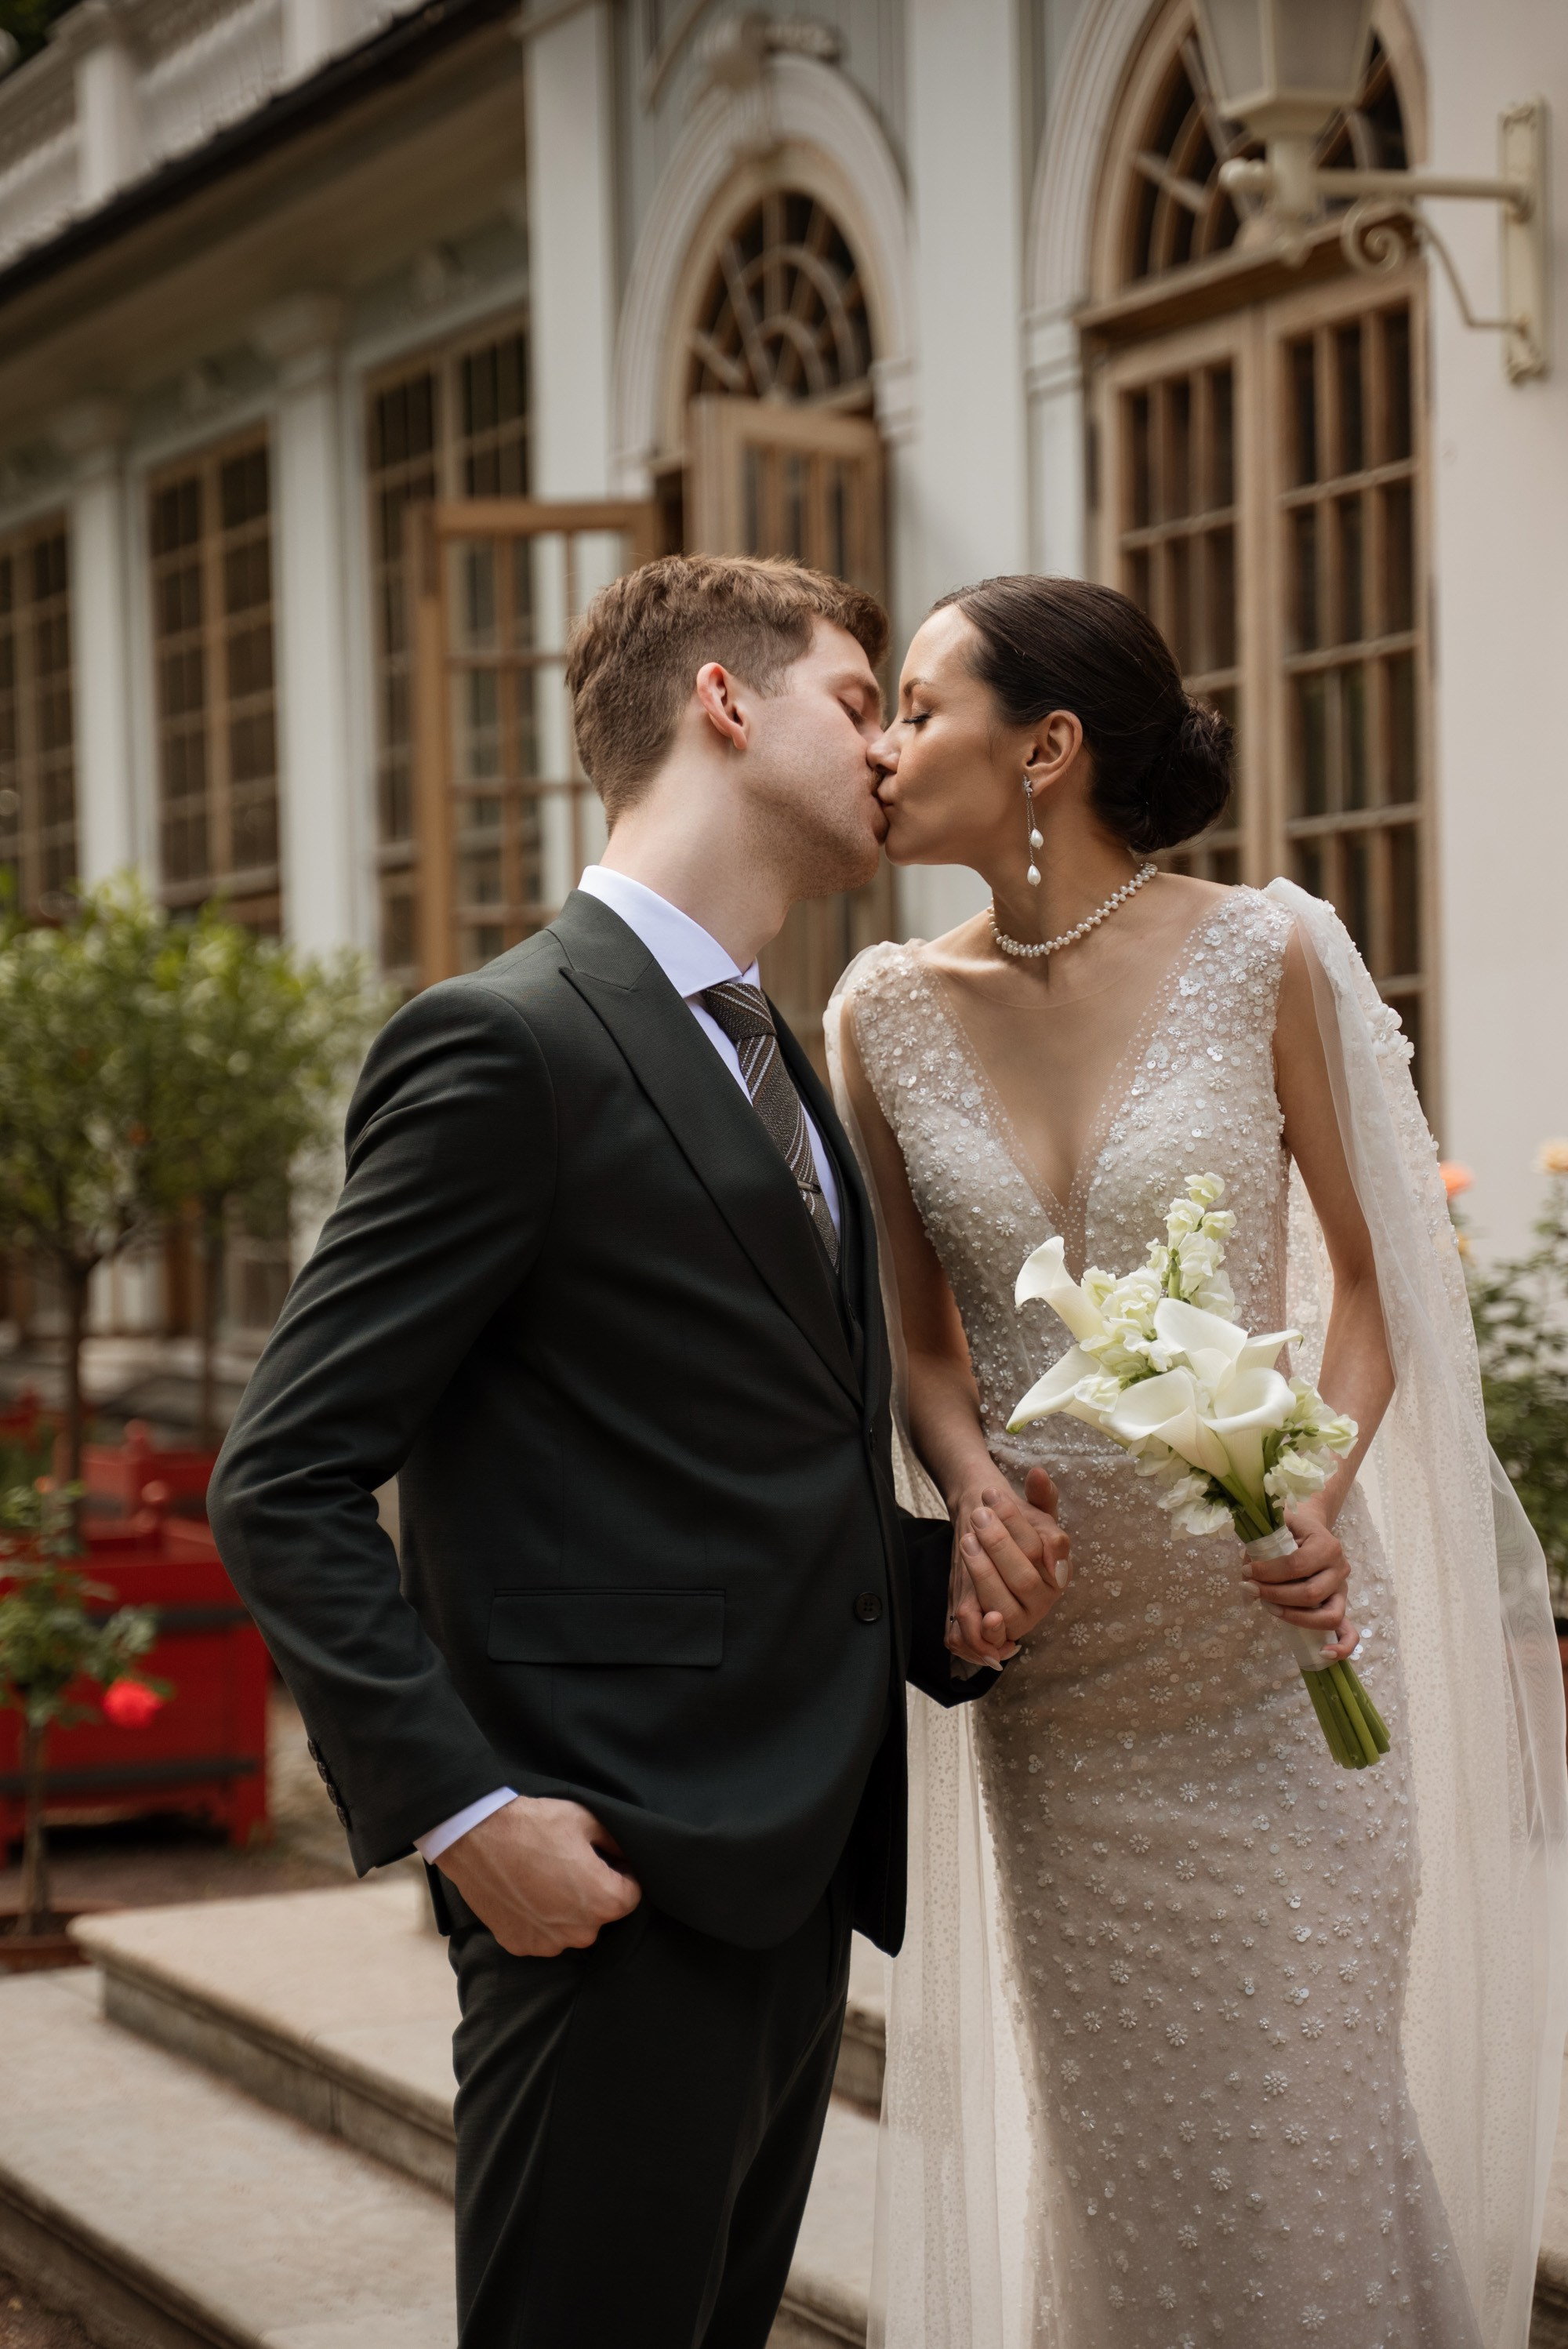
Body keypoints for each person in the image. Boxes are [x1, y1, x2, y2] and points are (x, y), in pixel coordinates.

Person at [207, 554, 1071, 2349]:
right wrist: (467, 1816)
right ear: (723, 702)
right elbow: (281, 1472)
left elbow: (715, 1461)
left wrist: (942, 1592)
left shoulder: (786, 1062)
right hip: (597, 1883)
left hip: (791, 1877)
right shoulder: (503, 1043)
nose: (889, 756)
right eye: (860, 700)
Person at [830, 574, 1567, 2349]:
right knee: (1133, 2161)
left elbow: (1382, 1280)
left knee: (1298, 2139)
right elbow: (923, 1344)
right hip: (1065, 1685)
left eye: (919, 706)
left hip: (1273, 1649)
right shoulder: (876, 1013)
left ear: (1048, 746)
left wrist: (1309, 1478)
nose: (880, 743)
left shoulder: (1271, 950)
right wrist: (970, 1479)